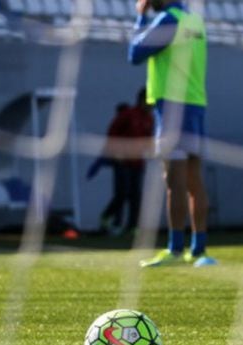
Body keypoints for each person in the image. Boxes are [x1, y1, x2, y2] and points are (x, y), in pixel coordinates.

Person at [129, 0, 215, 267]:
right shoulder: (194, 21)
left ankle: (175, 249)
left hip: (172, 108)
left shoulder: (168, 20)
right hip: (196, 105)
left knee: (173, 181)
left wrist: (141, 17)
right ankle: (199, 250)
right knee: (194, 181)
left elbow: (134, 53)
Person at [89, 89, 153, 235]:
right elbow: (112, 132)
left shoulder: (149, 118)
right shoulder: (128, 114)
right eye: (149, 101)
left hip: (138, 162)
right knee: (122, 193)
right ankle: (106, 217)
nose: (152, 105)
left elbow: (147, 138)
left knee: (136, 195)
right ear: (142, 100)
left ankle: (132, 227)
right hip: (122, 161)